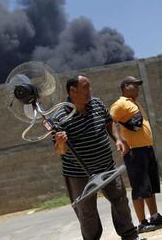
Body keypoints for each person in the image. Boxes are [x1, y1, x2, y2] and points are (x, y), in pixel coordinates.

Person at [53, 74, 142, 240]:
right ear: (72, 90)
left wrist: (118, 139)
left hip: (107, 165)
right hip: (79, 174)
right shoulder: (60, 117)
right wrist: (60, 142)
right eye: (85, 87)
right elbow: (60, 150)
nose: (90, 91)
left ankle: (129, 235)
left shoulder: (97, 103)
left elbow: (110, 123)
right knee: (87, 212)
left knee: (120, 199)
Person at [110, 76, 162, 233]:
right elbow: (110, 121)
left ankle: (155, 216)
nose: (138, 88)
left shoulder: (134, 103)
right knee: (139, 187)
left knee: (149, 186)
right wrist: (120, 140)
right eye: (135, 85)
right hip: (134, 151)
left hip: (146, 149)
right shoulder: (120, 104)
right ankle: (142, 223)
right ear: (126, 86)